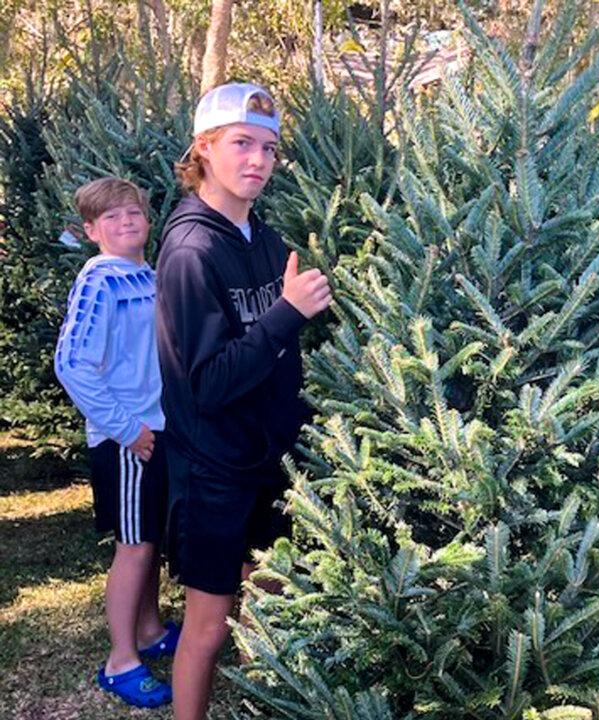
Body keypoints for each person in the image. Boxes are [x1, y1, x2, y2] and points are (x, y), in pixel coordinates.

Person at [155, 82, 331, 720]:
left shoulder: (261, 235)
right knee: (208, 622)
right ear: (204, 148)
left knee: (273, 592)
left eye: (269, 148)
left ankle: (268, 699)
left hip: (269, 457)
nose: (257, 159)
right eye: (241, 144)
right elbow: (207, 384)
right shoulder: (191, 251)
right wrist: (287, 315)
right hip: (216, 468)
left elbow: (272, 352)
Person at [54, 176, 179, 709]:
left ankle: (150, 631)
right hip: (128, 439)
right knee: (134, 547)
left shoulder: (147, 276)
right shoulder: (99, 282)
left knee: (149, 537)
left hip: (158, 431)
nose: (126, 222)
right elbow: (72, 364)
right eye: (111, 217)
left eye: (134, 213)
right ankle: (121, 660)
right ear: (90, 230)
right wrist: (127, 429)